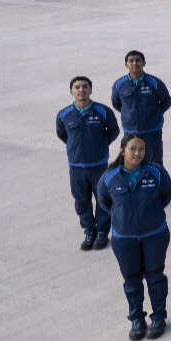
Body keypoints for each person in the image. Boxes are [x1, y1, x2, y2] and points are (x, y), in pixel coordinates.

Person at [96, 134, 171, 341]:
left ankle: (158, 317)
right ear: (123, 150)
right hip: (124, 238)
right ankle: (137, 319)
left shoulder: (156, 172)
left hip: (154, 234)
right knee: (132, 280)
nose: (137, 153)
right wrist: (123, 218)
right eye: (133, 148)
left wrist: (150, 215)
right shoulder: (110, 177)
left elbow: (166, 194)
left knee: (155, 276)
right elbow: (104, 201)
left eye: (141, 149)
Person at [56, 75, 120, 251]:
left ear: (91, 90)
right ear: (71, 91)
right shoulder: (64, 114)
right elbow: (63, 135)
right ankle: (89, 231)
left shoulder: (103, 112)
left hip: (98, 165)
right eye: (77, 87)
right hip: (76, 167)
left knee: (102, 199)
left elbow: (113, 131)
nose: (81, 90)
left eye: (85, 87)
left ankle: (102, 232)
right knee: (81, 200)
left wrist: (99, 145)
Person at [110, 50, 171, 164]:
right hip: (130, 131)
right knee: (132, 161)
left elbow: (166, 101)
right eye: (131, 61)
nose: (134, 63)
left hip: (152, 130)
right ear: (126, 65)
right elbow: (116, 103)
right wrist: (129, 114)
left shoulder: (154, 82)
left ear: (144, 63)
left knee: (155, 162)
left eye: (138, 60)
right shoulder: (119, 85)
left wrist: (154, 114)